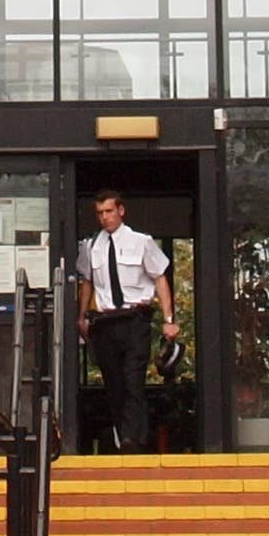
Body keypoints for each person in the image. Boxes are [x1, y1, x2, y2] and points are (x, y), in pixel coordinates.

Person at [75, 190, 179, 452]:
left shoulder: (141, 242)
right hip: (105, 321)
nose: (104, 218)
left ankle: (133, 439)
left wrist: (169, 319)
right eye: (99, 213)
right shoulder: (90, 247)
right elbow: (87, 282)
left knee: (133, 379)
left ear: (121, 210)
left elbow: (160, 279)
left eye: (109, 211)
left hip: (135, 318)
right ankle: (123, 435)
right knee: (114, 382)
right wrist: (82, 316)